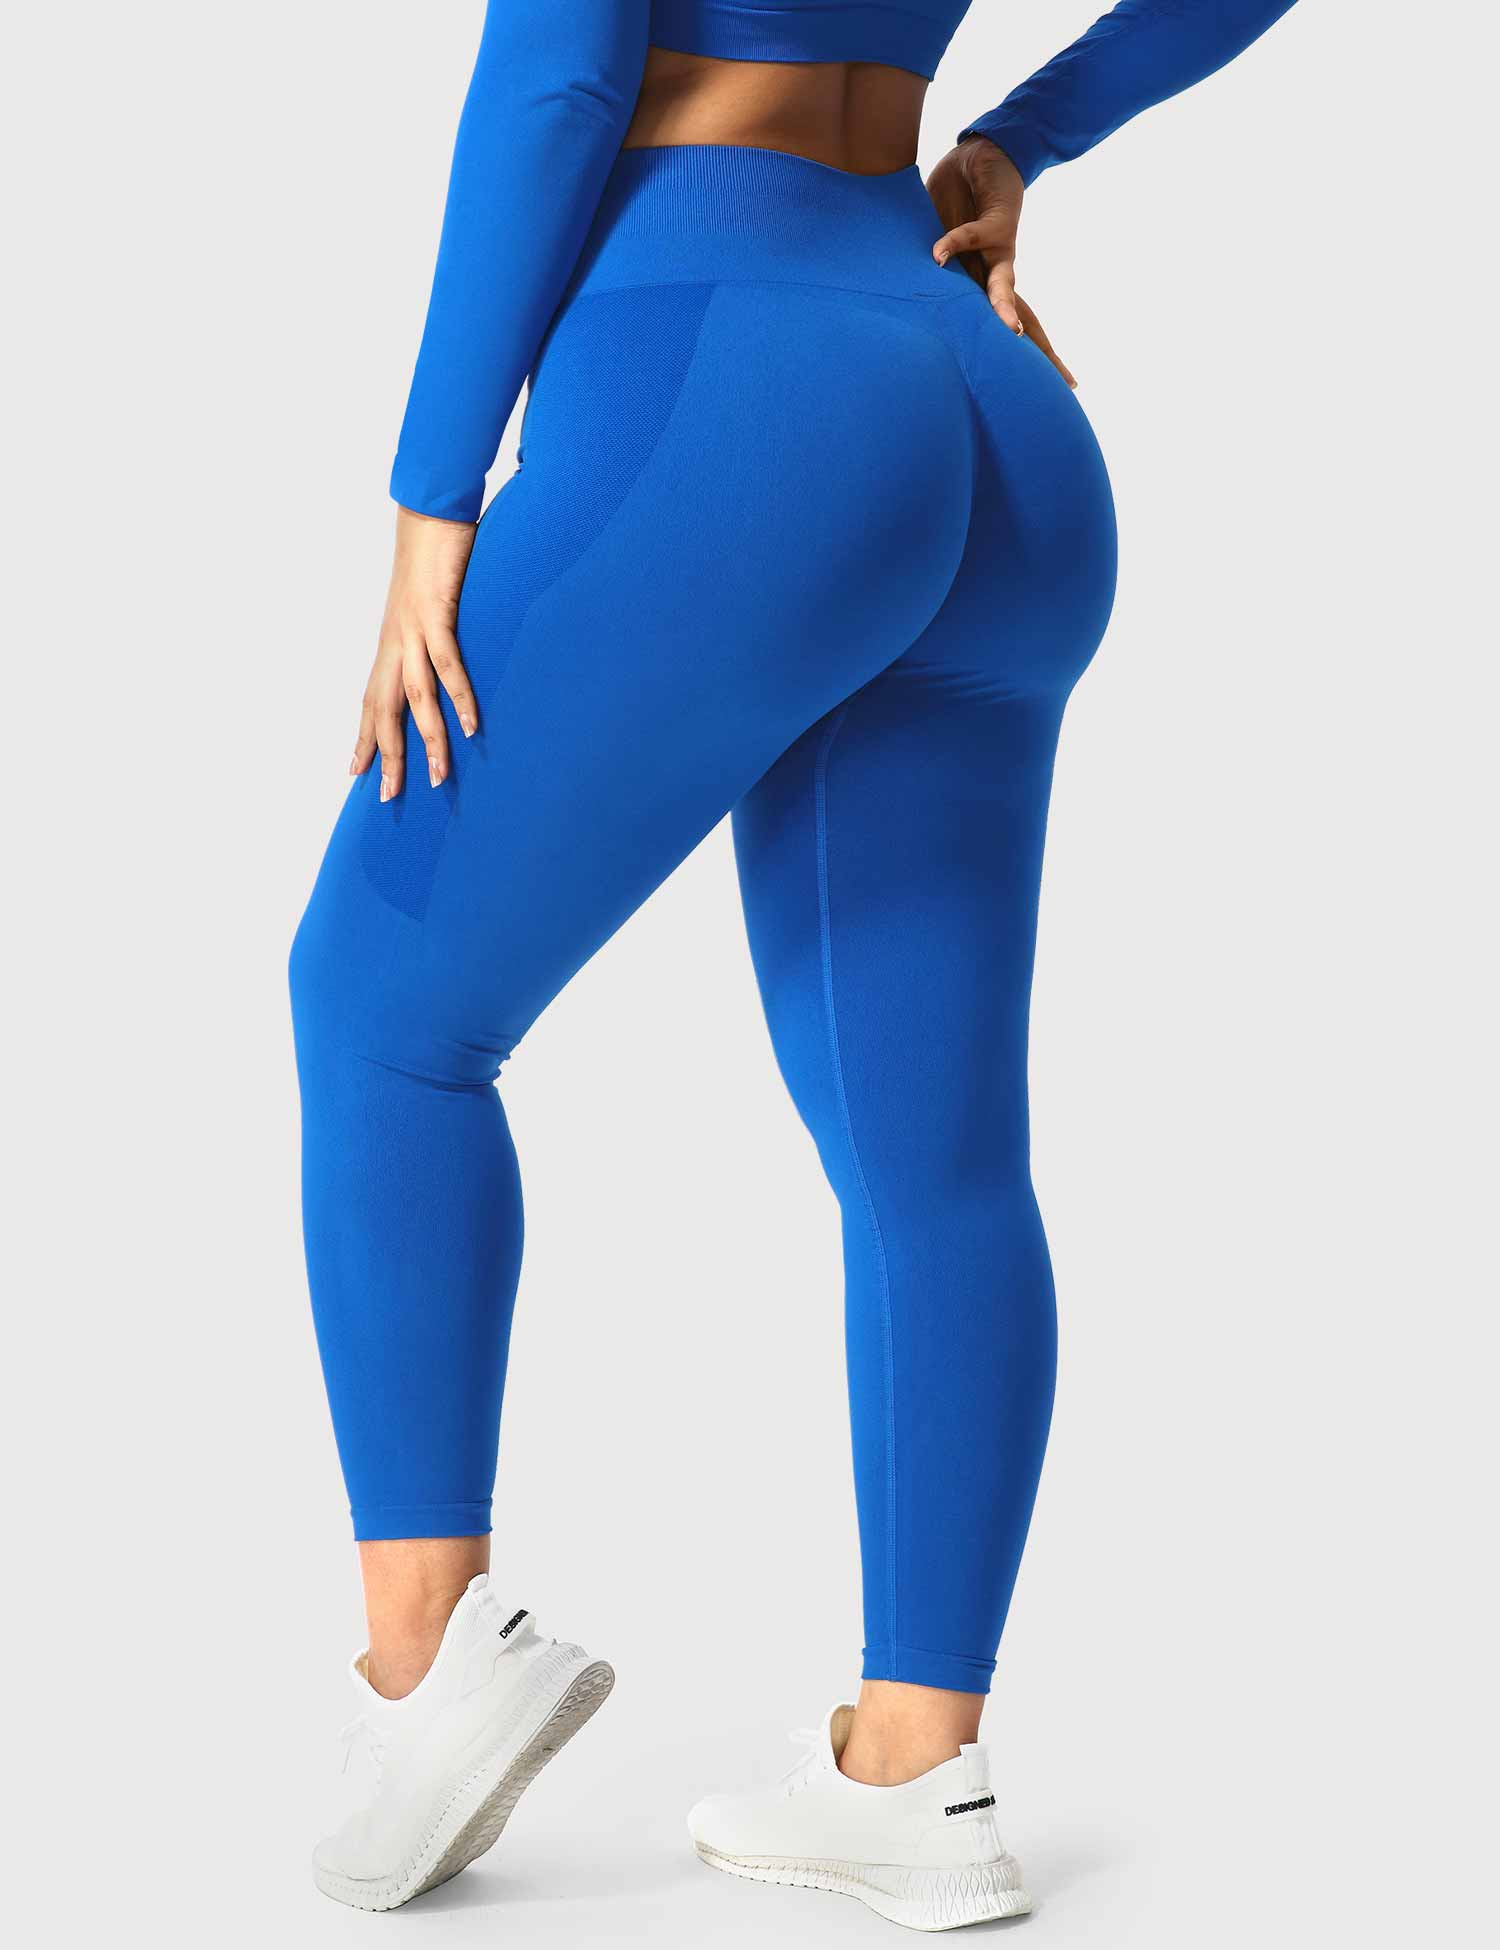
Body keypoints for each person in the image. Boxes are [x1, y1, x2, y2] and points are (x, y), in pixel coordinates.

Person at [290, 0, 1297, 1924]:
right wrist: (1020, 142)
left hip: (735, 375)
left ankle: (426, 1671)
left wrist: (432, 497)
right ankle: (918, 1772)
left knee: (379, 1010)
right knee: (935, 1155)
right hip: (987, 403)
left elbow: (563, 77)